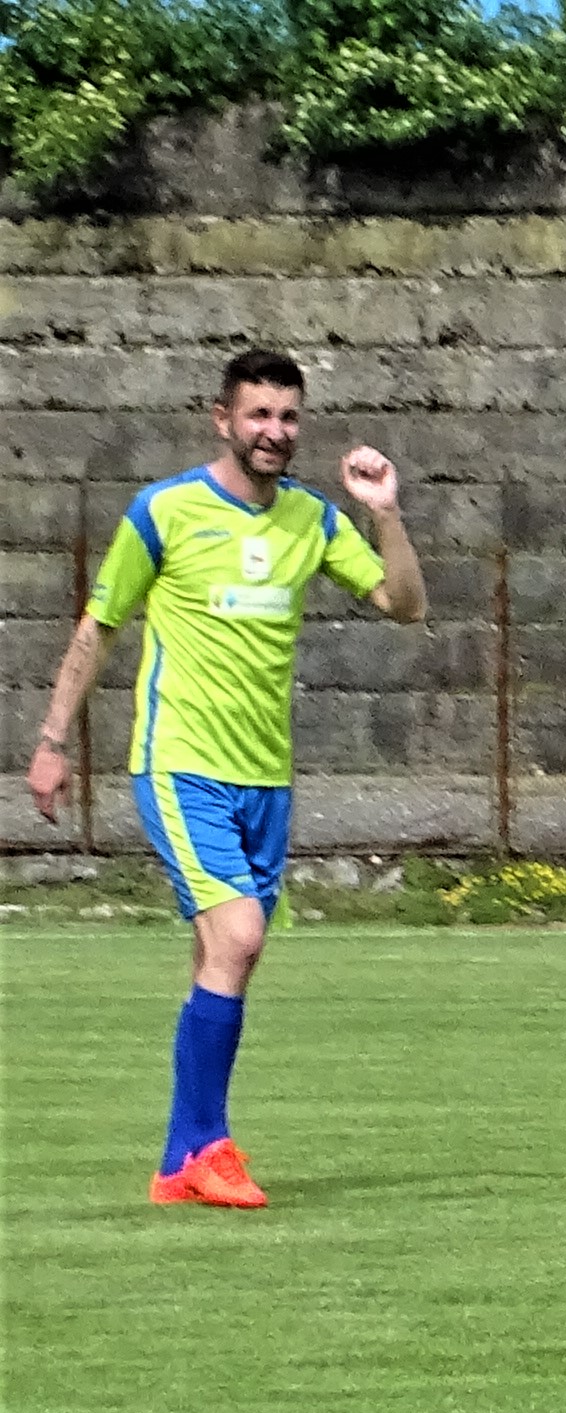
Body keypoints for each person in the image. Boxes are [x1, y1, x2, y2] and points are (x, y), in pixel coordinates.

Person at [23, 349, 428, 1208]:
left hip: (265, 778)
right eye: (258, 415)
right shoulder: (164, 511)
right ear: (222, 419)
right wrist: (53, 739)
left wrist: (385, 513)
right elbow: (99, 626)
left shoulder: (313, 520)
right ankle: (211, 1148)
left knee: (219, 954)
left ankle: (180, 1160)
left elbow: (404, 604)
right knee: (239, 937)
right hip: (180, 763)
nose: (274, 431)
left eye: (287, 416)